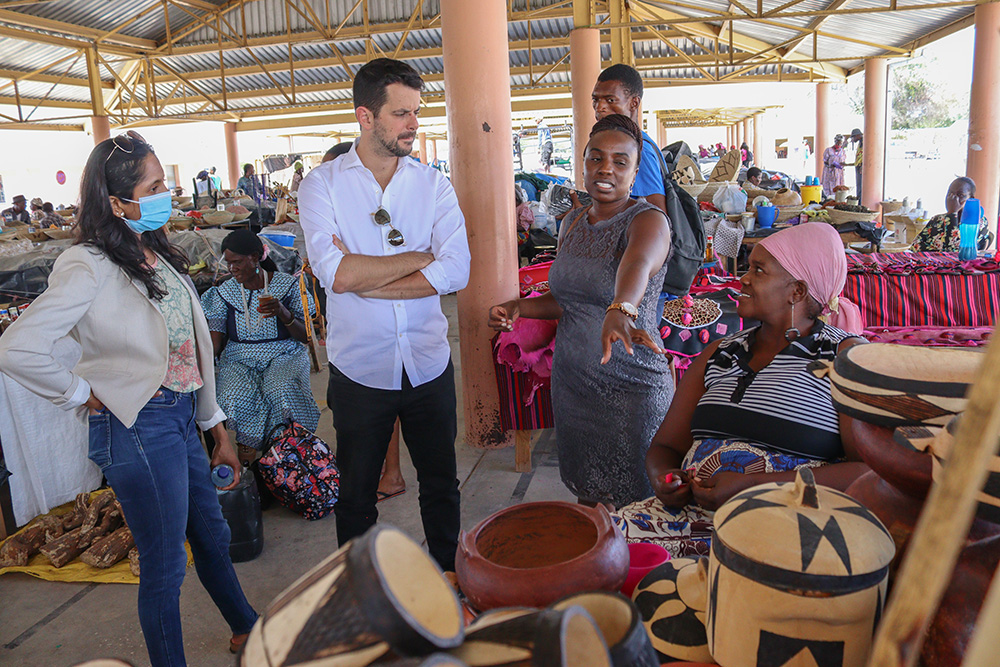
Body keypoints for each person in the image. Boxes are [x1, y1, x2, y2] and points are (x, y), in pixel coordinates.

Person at [0, 132, 257, 665]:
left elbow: (188, 355)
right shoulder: (87, 264)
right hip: (138, 426)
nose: (169, 193)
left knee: (212, 536)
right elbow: (18, 347)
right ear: (116, 202)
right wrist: (80, 393)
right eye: (156, 185)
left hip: (182, 420)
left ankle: (247, 629)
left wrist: (217, 432)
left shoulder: (155, 251)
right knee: (165, 567)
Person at [298, 58, 470, 569]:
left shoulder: (432, 185)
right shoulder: (322, 185)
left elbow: (457, 269)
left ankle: (450, 579)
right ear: (365, 117)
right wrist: (420, 258)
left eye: (416, 112)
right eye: (401, 114)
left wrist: (369, 280)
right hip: (360, 368)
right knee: (355, 496)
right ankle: (362, 592)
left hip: (427, 361)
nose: (413, 124)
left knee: (441, 485)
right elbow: (338, 275)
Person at [614, 223, 868, 556]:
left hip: (792, 522)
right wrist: (666, 479)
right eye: (748, 267)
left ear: (798, 292)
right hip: (692, 517)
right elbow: (664, 446)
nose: (743, 278)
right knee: (606, 549)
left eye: (759, 271)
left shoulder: (844, 356)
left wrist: (752, 486)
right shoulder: (719, 352)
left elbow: (868, 470)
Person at [489, 114, 673, 508]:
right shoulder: (571, 221)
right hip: (575, 386)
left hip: (632, 387)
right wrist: (520, 307)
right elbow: (569, 301)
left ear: (636, 170)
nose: (606, 168)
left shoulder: (649, 222)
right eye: (596, 158)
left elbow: (637, 265)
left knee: (638, 508)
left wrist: (622, 308)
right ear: (584, 162)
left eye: (620, 161)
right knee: (588, 498)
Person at [318, 139, 406, 501]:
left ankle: (391, 474)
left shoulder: (369, 221)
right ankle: (385, 473)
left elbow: (350, 275)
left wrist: (352, 266)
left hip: (373, 334)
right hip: (348, 333)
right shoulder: (334, 211)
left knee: (380, 405)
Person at [200, 230, 319, 462]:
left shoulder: (288, 285)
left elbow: (305, 337)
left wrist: (283, 313)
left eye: (236, 262)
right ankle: (248, 464)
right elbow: (215, 341)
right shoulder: (224, 291)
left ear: (255, 257)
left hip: (285, 353)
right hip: (239, 357)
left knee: (280, 389)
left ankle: (285, 457)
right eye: (228, 262)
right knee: (234, 392)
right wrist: (200, 366)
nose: (231, 268)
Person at [591, 64, 667, 214]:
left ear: (634, 103)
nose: (599, 107)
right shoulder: (632, 144)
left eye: (610, 100)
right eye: (595, 99)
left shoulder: (638, 150)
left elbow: (658, 213)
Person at [912, 176, 991, 252]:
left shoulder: (978, 223)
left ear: (971, 199)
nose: (953, 199)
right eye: (950, 194)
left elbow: (954, 252)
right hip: (932, 263)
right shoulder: (938, 219)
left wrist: (952, 214)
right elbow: (915, 245)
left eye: (960, 195)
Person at [850, 128, 863, 201]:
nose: (853, 139)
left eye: (854, 137)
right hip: (858, 166)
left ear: (858, 135)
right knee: (859, 187)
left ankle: (860, 202)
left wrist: (862, 166)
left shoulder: (864, 142)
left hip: (861, 167)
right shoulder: (860, 143)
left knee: (860, 187)